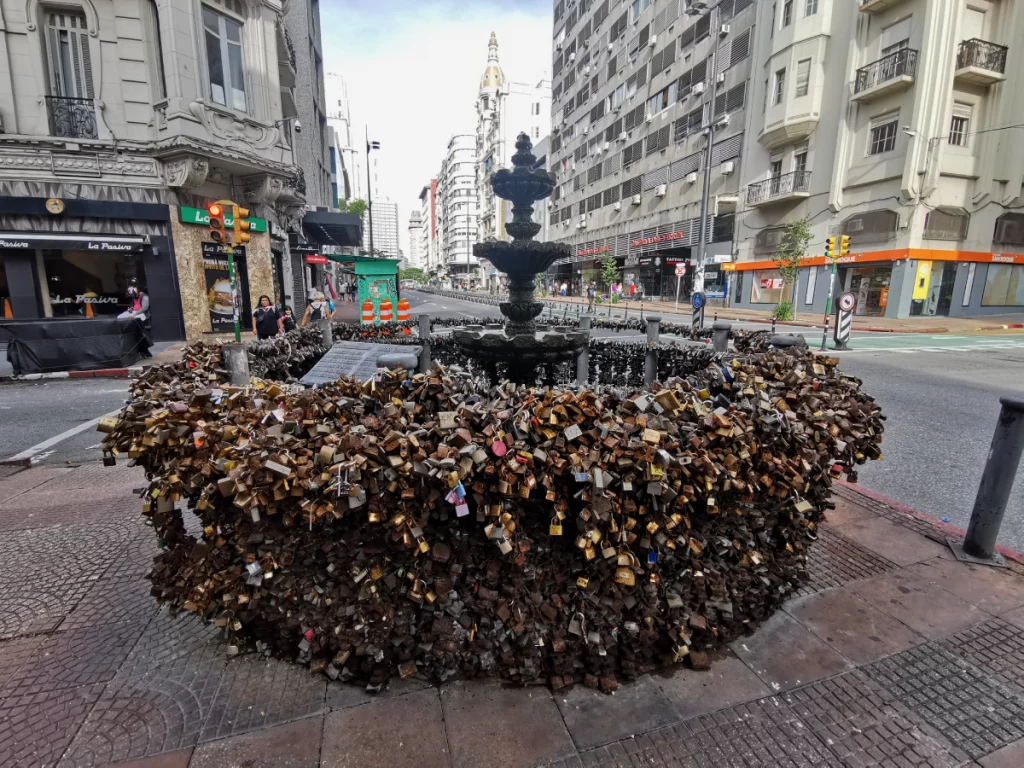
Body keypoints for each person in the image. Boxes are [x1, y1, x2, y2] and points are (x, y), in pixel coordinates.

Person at [119, 279, 152, 357]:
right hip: (134, 312)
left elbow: (144, 308)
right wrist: (130, 309)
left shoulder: (144, 296)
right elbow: (134, 306)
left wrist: (135, 313)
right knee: (120, 317)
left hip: (142, 314)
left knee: (133, 318)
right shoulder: (134, 297)